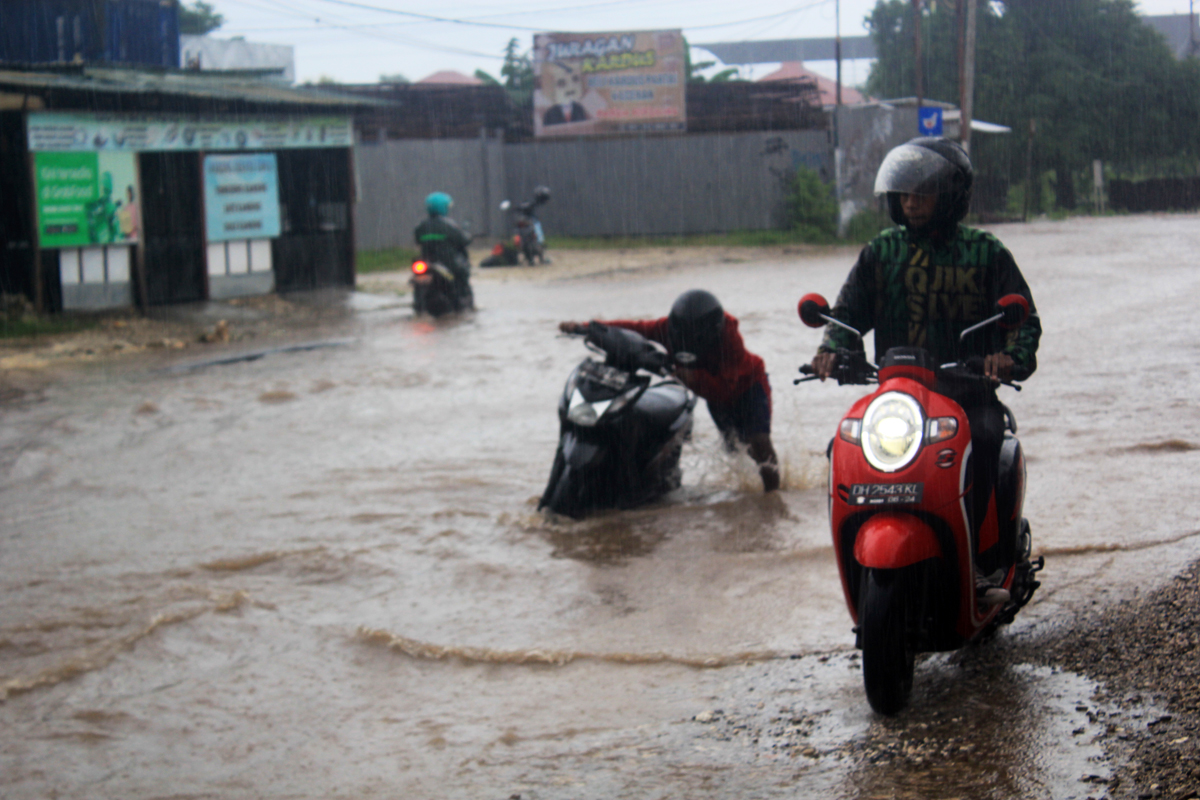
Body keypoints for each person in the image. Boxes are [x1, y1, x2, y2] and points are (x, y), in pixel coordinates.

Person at [808, 136, 1042, 606]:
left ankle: (984, 562)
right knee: (844, 447)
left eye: (922, 192)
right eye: (904, 193)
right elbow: (846, 315)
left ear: (951, 195)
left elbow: (1024, 322)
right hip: (898, 396)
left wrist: (1008, 358)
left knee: (987, 436)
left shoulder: (985, 252)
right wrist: (831, 349)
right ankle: (857, 562)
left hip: (967, 396)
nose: (911, 202)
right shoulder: (881, 252)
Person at [560, 289, 780, 493]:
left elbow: (726, 387)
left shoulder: (729, 338)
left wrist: (695, 377)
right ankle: (746, 494)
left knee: (758, 443)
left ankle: (773, 497)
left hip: (748, 387)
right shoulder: (667, 329)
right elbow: (633, 328)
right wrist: (586, 327)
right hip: (714, 397)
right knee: (735, 449)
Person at [414, 192, 473, 309]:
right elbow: (463, 240)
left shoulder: (421, 226)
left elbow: (417, 240)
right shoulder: (448, 225)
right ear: (444, 208)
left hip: (427, 263)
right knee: (463, 274)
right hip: (449, 263)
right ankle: (462, 304)